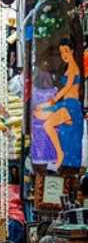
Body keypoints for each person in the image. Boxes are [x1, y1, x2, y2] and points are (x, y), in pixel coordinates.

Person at [33, 38, 83, 169]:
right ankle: (59, 154)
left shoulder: (73, 67)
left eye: (66, 51)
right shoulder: (69, 66)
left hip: (71, 105)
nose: (64, 55)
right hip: (67, 103)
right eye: (61, 52)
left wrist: (50, 103)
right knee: (42, 117)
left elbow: (67, 88)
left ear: (72, 51)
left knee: (47, 122)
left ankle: (59, 154)